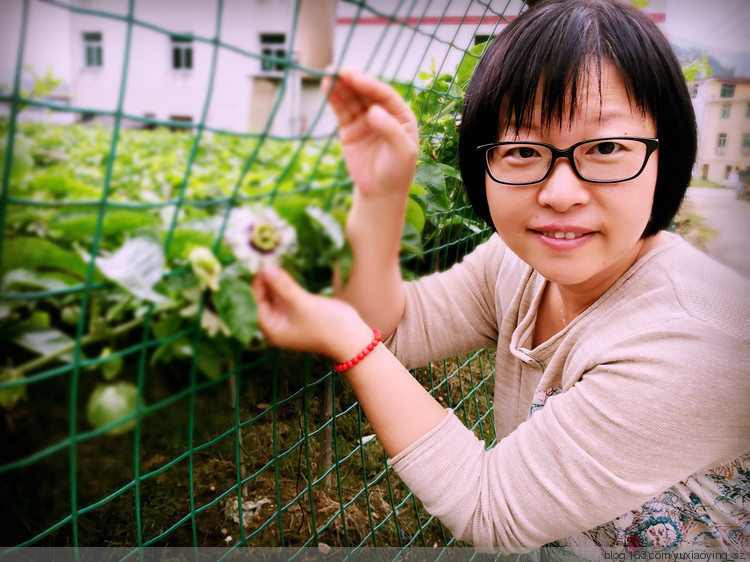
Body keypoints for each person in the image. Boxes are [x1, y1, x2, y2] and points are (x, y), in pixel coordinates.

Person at [251, 0, 750, 554]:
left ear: (667, 156)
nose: (560, 194)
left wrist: (347, 340)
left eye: (607, 147)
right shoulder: (516, 265)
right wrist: (382, 192)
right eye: (521, 149)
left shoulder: (695, 340)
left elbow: (491, 511)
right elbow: (392, 328)